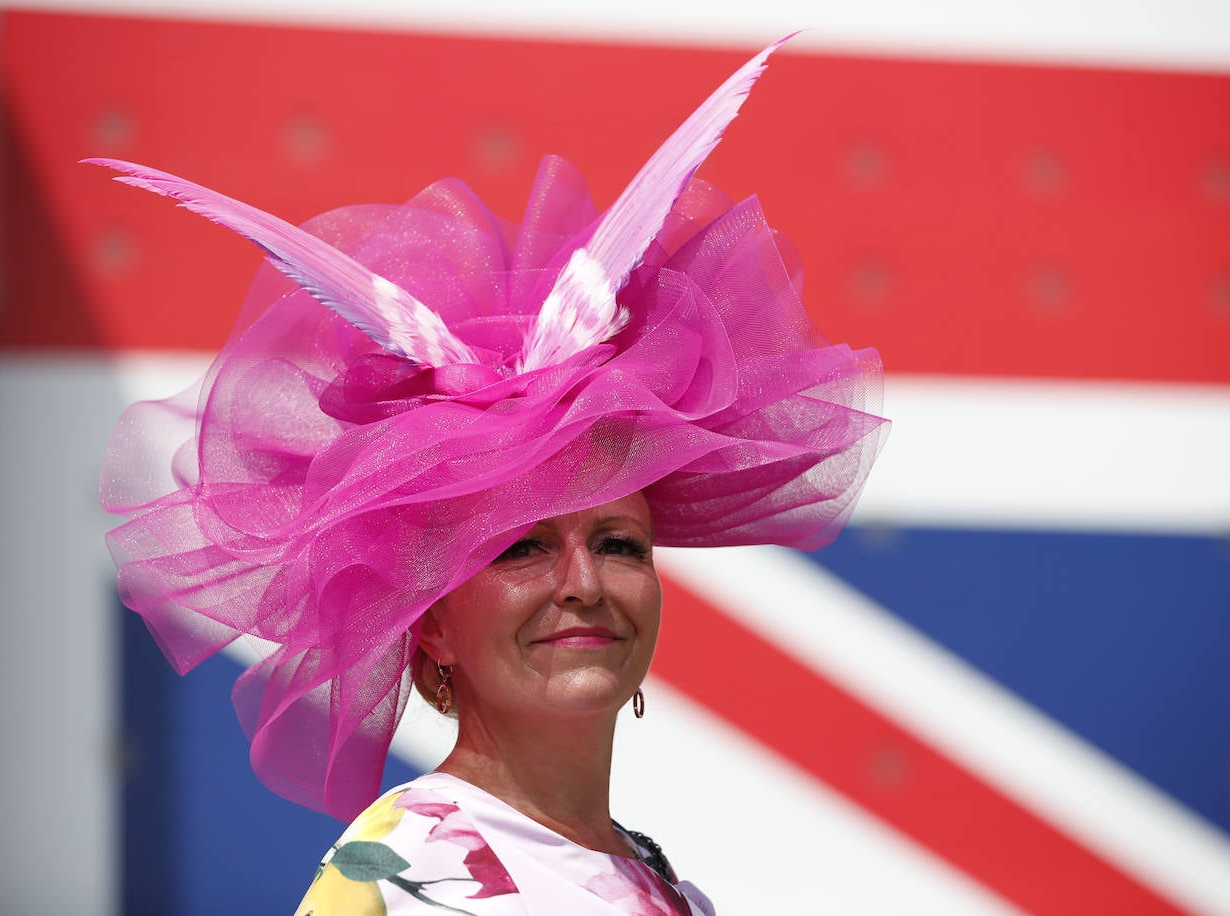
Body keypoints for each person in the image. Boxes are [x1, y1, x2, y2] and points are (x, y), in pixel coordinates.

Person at [96, 37, 887, 914]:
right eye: (521, 546)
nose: (583, 583)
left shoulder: (667, 887)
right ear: (431, 622)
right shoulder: (394, 882)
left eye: (620, 543)